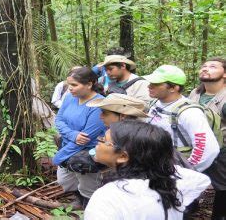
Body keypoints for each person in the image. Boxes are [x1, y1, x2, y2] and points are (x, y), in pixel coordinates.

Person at [85, 121, 211, 220]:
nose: (98, 143)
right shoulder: (170, 183)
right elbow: (201, 180)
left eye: (104, 140)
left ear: (123, 156)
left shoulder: (109, 196)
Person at [145, 65, 220, 172]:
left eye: (156, 84)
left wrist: (186, 171)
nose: (149, 86)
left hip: (176, 170)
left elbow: (208, 149)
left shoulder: (190, 112)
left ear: (173, 88)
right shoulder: (154, 104)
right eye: (150, 83)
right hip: (157, 165)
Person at [53, 67, 106, 208]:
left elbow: (86, 139)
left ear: (89, 84)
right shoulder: (70, 97)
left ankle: (91, 208)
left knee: (88, 185)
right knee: (65, 181)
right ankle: (78, 200)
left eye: (74, 85)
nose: (70, 88)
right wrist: (73, 134)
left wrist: (59, 157)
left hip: (87, 153)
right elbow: (58, 120)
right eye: (69, 84)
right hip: (68, 145)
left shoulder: (99, 104)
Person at [188, 57, 226, 220]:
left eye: (212, 66)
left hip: (221, 150)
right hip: (195, 147)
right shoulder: (195, 93)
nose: (205, 68)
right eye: (204, 66)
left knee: (222, 187)